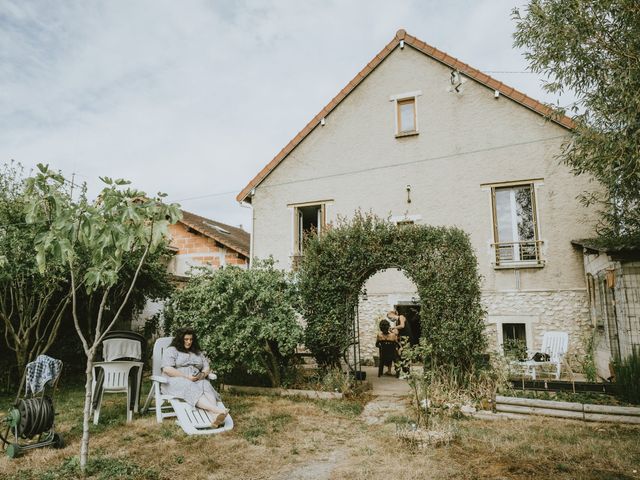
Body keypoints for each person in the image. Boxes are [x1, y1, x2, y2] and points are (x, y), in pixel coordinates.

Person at [161, 328, 229, 428]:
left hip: (195, 380)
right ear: (180, 339)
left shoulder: (197, 352)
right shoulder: (172, 350)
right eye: (186, 339)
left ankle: (215, 417)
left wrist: (202, 375)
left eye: (191, 339)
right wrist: (186, 377)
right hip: (174, 381)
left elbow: (206, 367)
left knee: (205, 384)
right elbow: (167, 369)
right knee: (188, 384)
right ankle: (217, 410)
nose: (189, 342)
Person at [388, 310, 412, 377]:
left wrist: (394, 327)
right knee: (401, 355)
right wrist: (392, 331)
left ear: (392, 314)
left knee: (405, 355)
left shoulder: (401, 317)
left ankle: (407, 372)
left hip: (407, 338)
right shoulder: (396, 323)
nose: (390, 319)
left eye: (390, 317)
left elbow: (402, 326)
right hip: (402, 339)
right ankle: (404, 372)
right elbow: (397, 333)